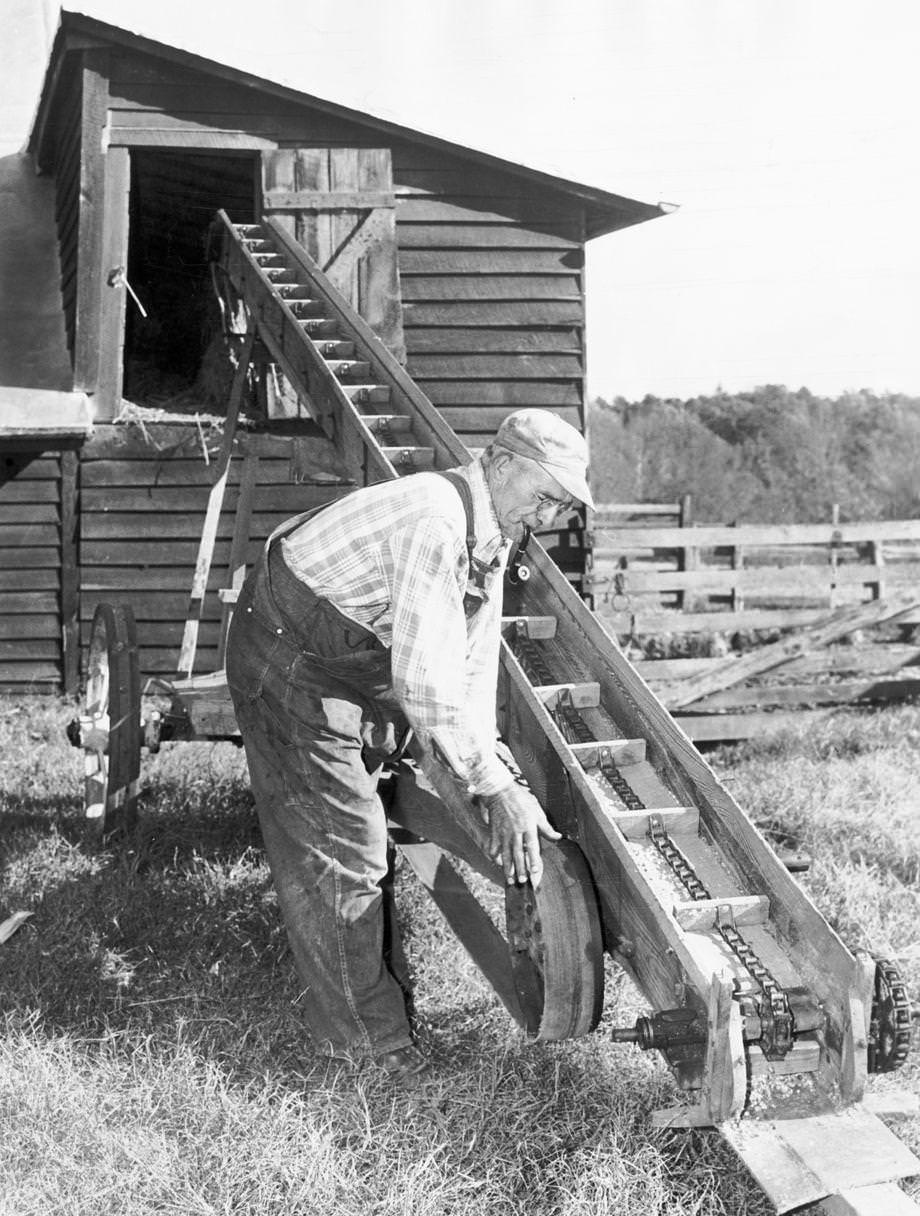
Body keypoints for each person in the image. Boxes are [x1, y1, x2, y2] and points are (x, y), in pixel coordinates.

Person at [225, 408, 594, 1089]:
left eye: (560, 506)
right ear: (502, 464)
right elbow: (423, 682)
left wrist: (495, 772)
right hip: (292, 663)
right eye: (542, 496)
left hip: (349, 659)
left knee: (367, 827)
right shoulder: (437, 520)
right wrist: (490, 786)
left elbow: (473, 668)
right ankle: (364, 1052)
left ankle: (365, 1005)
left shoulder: (493, 530)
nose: (545, 515)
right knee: (344, 857)